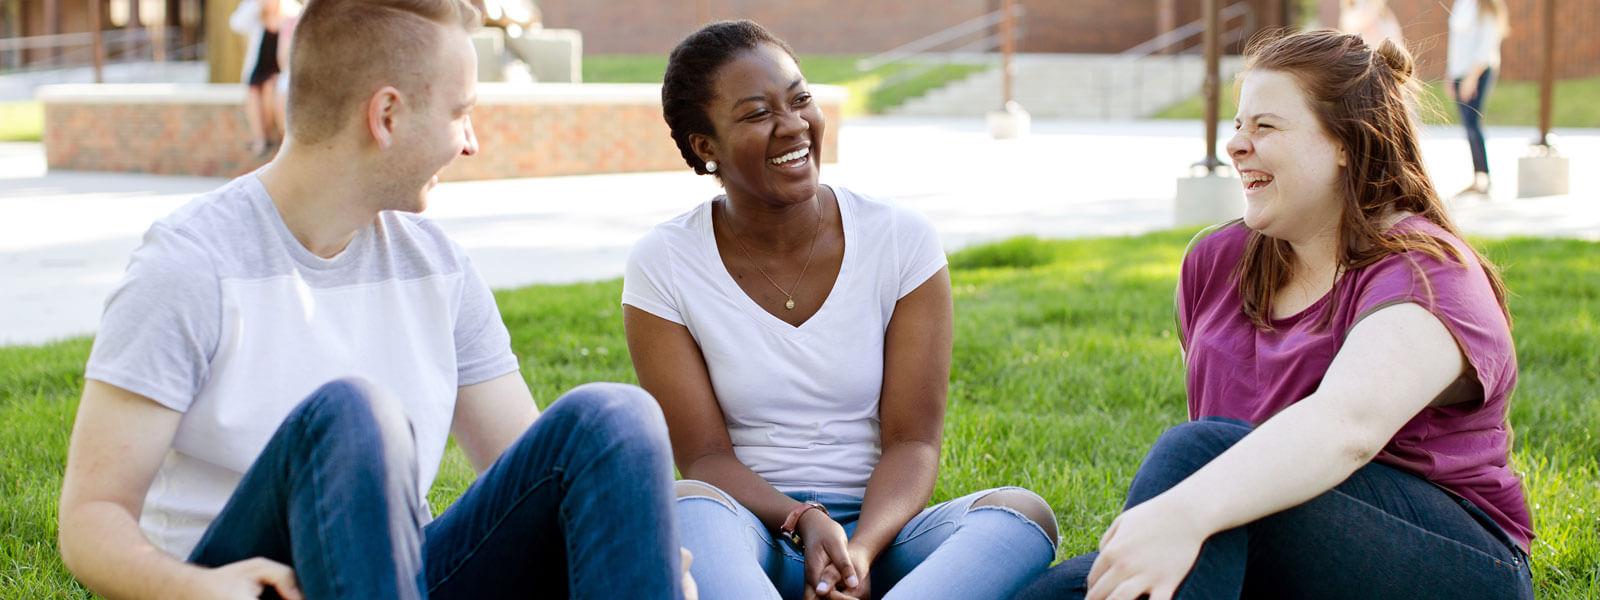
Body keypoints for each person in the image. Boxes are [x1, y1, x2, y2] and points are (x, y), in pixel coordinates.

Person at [57, 1, 691, 599]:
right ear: (386, 116)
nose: (470, 142)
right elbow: (92, 518)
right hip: (246, 583)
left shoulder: (437, 266)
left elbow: (537, 480)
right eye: (458, 112)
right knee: (353, 412)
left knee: (613, 420)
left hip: (396, 572)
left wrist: (639, 543)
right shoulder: (191, 263)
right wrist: (198, 589)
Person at [1016, 30, 1533, 600]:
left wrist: (1183, 513)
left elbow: (1346, 429)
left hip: (1450, 562)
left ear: (1347, 143)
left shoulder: (1429, 273)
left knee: (1198, 457)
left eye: (1265, 126)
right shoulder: (1216, 262)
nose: (1236, 144)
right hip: (1266, 530)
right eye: (1238, 125)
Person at [623, 19, 1059, 600]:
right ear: (706, 147)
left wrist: (858, 551)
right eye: (757, 114)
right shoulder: (666, 261)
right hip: (745, 530)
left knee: (1021, 516)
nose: (793, 125)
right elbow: (704, 457)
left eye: (800, 99)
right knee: (684, 506)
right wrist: (803, 519)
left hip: (885, 539)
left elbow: (913, 442)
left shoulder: (900, 238)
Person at [1448, 0, 1510, 197]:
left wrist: (1471, 78)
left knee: (1474, 124)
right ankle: (1477, 176)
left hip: (1477, 72)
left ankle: (1483, 177)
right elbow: (1456, 41)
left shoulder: (1488, 6)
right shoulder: (1462, 3)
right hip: (1459, 72)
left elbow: (1486, 47)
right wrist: (1450, 74)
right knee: (1467, 126)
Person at [230, 0, 288, 157]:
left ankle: (269, 136)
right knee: (253, 92)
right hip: (259, 68)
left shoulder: (288, 14)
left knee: (269, 90)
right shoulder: (256, 17)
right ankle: (260, 137)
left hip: (278, 70)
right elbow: (236, 23)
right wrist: (257, 4)